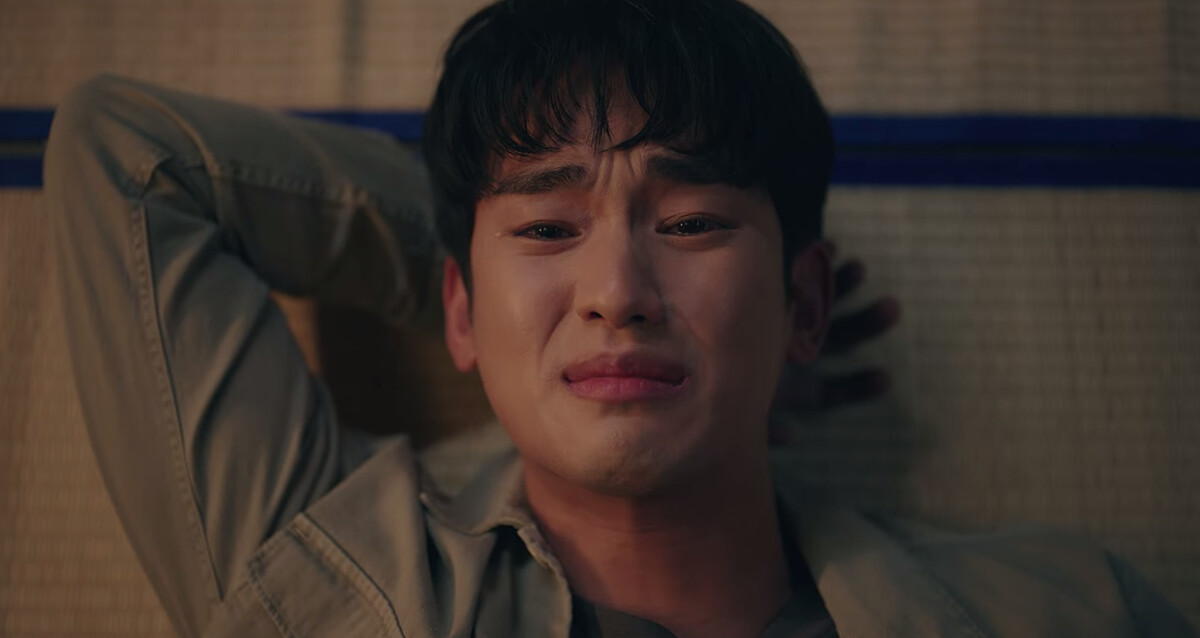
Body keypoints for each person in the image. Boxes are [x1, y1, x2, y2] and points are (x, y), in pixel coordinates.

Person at [43, 0, 1193, 637]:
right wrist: (483, 256)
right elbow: (128, 156)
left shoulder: (1074, 608)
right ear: (456, 308)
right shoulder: (331, 586)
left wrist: (556, 270)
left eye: (692, 222)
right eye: (551, 229)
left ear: (805, 302)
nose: (618, 290)